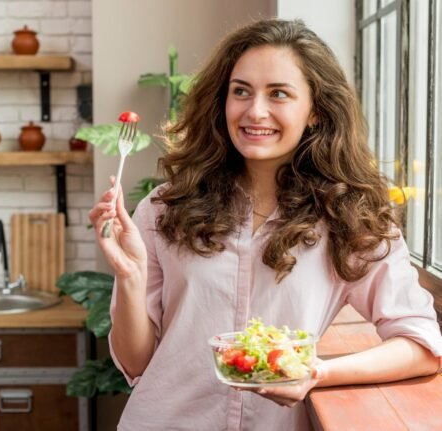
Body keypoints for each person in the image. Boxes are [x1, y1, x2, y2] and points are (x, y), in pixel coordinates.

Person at [88, 19, 442, 431]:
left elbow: (421, 345)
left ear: (315, 112)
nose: (255, 111)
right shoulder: (165, 208)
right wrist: (130, 277)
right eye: (241, 91)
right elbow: (136, 363)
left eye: (279, 94)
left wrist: (317, 372)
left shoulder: (347, 217)